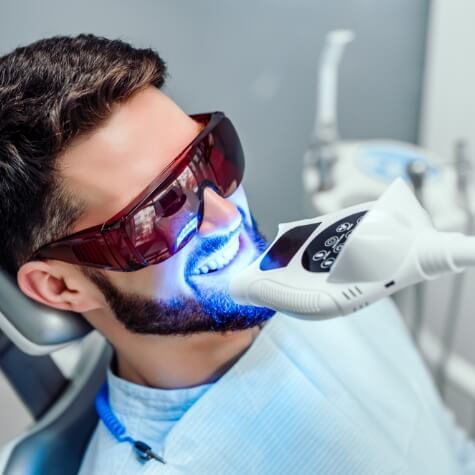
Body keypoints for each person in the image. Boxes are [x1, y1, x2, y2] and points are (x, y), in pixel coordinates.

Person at [0, 33, 474, 475]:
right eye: (160, 210)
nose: (227, 216)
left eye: (209, 157)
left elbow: (445, 442)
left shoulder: (337, 273)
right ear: (61, 286)